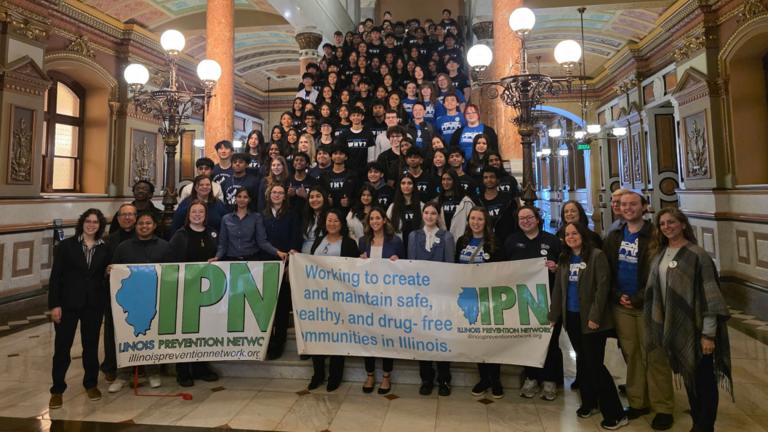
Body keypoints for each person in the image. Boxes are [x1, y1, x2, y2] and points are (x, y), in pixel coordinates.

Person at [645, 208, 732, 432]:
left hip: (696, 328)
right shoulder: (660, 254)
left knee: (703, 381)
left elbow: (710, 297)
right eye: (663, 224)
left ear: (683, 224)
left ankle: (705, 426)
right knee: (688, 378)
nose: (667, 227)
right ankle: (697, 423)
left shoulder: (697, 255)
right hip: (674, 327)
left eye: (671, 222)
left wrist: (708, 335)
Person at [603, 191, 675, 430]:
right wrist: (617, 295)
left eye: (633, 204)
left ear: (644, 207)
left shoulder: (655, 235)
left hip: (648, 304)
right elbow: (607, 270)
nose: (628, 208)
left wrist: (638, 298)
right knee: (631, 354)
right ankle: (638, 401)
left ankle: (663, 406)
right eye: (624, 205)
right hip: (621, 304)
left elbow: (659, 272)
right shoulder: (614, 235)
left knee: (654, 354)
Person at [549, 222, 628, 430]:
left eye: (575, 233)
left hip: (592, 320)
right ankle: (589, 402)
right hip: (572, 318)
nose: (571, 237)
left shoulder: (596, 256)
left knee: (595, 364)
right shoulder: (565, 258)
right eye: (567, 234)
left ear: (583, 234)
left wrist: (595, 316)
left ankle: (615, 412)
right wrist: (554, 315)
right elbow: (559, 289)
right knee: (583, 362)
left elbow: (602, 289)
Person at [48, 209, 111, 409]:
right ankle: (57, 389)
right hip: (68, 304)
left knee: (90, 346)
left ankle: (90, 383)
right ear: (82, 223)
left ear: (100, 226)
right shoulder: (67, 246)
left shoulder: (105, 248)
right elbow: (55, 277)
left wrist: (109, 272)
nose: (91, 225)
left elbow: (104, 275)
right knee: (62, 348)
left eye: (95, 222)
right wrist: (54, 305)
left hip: (93, 305)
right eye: (88, 221)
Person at [505, 206, 563, 401]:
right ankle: (531, 377)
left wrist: (556, 268)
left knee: (550, 341)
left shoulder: (552, 241)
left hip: (547, 300)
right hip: (521, 300)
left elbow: (565, 266)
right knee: (527, 340)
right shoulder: (512, 241)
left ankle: (550, 380)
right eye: (522, 218)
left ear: (537, 219)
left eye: (529, 217)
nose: (526, 221)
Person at [110, 212, 173, 392]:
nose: (144, 226)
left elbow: (171, 272)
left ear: (154, 226)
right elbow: (115, 268)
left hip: (153, 300)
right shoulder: (123, 247)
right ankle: (122, 375)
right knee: (125, 337)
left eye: (148, 223)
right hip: (129, 302)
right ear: (136, 226)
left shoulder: (164, 247)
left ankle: (153, 372)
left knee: (151, 337)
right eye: (140, 224)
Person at [307, 209, 360, 391]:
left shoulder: (350, 244)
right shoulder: (318, 242)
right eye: (329, 220)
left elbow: (355, 270)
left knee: (337, 337)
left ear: (341, 224)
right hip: (318, 299)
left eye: (336, 221)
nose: (332, 224)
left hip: (339, 299)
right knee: (317, 337)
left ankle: (335, 376)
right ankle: (318, 374)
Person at [168, 201, 220, 387]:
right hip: (186, 289)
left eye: (201, 212)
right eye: (194, 212)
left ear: (206, 215)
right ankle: (182, 370)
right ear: (188, 214)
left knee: (203, 330)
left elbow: (220, 253)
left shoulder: (213, 233)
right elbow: (171, 262)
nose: (197, 214)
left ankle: (200, 367)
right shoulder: (180, 235)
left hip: (207, 290)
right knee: (185, 330)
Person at [407, 203, 456, 397]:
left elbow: (450, 266)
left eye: (433, 213)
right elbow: (411, 265)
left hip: (440, 295)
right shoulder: (413, 236)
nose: (429, 216)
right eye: (426, 212)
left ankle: (444, 378)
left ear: (438, 216)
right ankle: (426, 378)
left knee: (440, 338)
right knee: (423, 337)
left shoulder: (447, 236)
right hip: (420, 296)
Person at [457, 207, 504, 398]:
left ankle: (496, 379)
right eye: (473, 219)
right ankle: (483, 378)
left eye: (480, 219)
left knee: (491, 339)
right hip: (468, 298)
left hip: (489, 297)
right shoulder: (462, 241)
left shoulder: (494, 242)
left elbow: (502, 270)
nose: (476, 222)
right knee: (476, 339)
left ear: (486, 222)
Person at [358, 207, 404, 394]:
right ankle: (369, 375)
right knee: (368, 335)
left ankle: (386, 376)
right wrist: (359, 260)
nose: (375, 221)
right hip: (367, 296)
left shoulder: (396, 241)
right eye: (372, 219)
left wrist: (397, 260)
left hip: (388, 296)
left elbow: (406, 266)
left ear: (385, 220)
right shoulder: (363, 241)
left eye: (378, 218)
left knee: (386, 337)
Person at [261, 184, 302, 359]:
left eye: (280, 193)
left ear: (285, 196)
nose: (277, 195)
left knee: (282, 307)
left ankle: (279, 344)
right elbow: (260, 240)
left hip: (285, 264)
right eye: (274, 192)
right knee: (267, 307)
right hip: (267, 265)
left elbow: (296, 238)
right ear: (269, 195)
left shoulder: (292, 215)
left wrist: (290, 262)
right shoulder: (262, 215)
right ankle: (267, 343)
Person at [100, 204, 137, 383]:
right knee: (111, 329)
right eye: (124, 215)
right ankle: (111, 365)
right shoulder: (110, 240)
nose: (128, 218)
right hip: (114, 291)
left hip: (138, 292)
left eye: (131, 214)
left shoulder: (143, 236)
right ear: (118, 218)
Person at [214, 188, 272, 261]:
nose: (242, 199)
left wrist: (278, 252)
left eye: (245, 197)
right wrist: (217, 257)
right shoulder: (226, 219)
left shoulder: (256, 217)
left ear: (249, 199)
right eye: (239, 196)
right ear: (235, 198)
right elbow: (222, 244)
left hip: (252, 260)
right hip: (231, 260)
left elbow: (262, 242)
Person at [387, 174, 424, 250]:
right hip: (398, 247)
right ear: (399, 186)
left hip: (418, 246)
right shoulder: (392, 207)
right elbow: (387, 228)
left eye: (409, 183)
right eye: (403, 183)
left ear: (414, 186)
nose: (406, 186)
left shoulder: (421, 206)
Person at [437, 170, 475, 240]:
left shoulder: (466, 201)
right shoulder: (438, 200)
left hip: (461, 240)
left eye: (449, 179)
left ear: (455, 181)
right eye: (443, 179)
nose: (445, 182)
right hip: (443, 241)